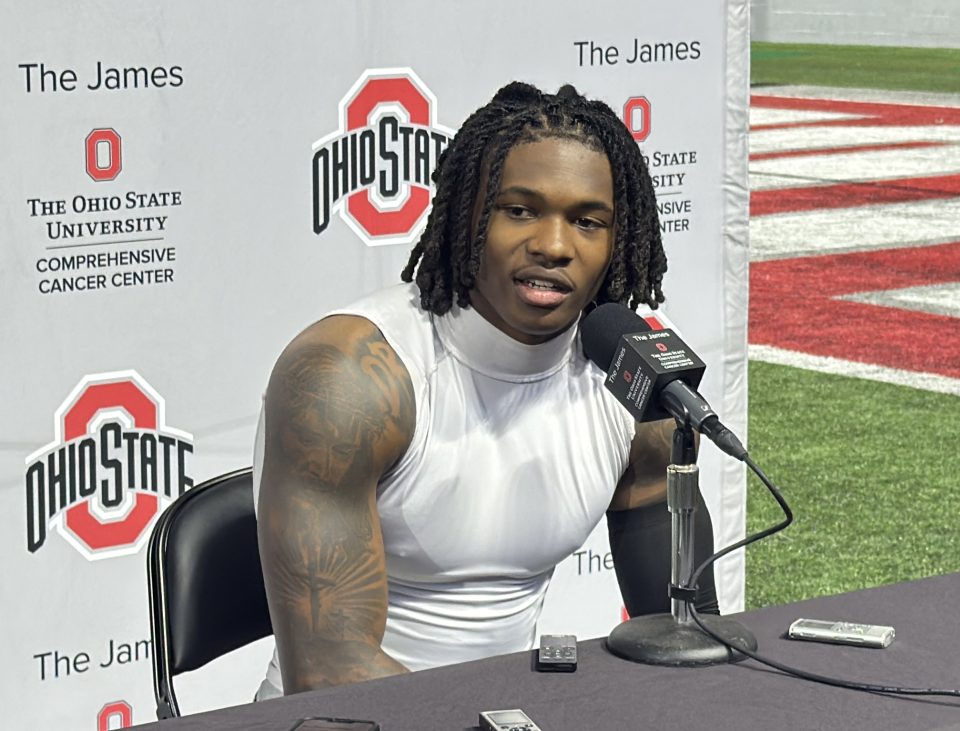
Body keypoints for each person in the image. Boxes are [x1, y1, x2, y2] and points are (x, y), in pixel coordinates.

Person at [253, 81, 720, 699]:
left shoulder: (633, 377)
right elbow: (333, 680)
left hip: (506, 709)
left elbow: (684, 630)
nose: (554, 246)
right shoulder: (349, 378)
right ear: (465, 212)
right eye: (519, 210)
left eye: (587, 221)